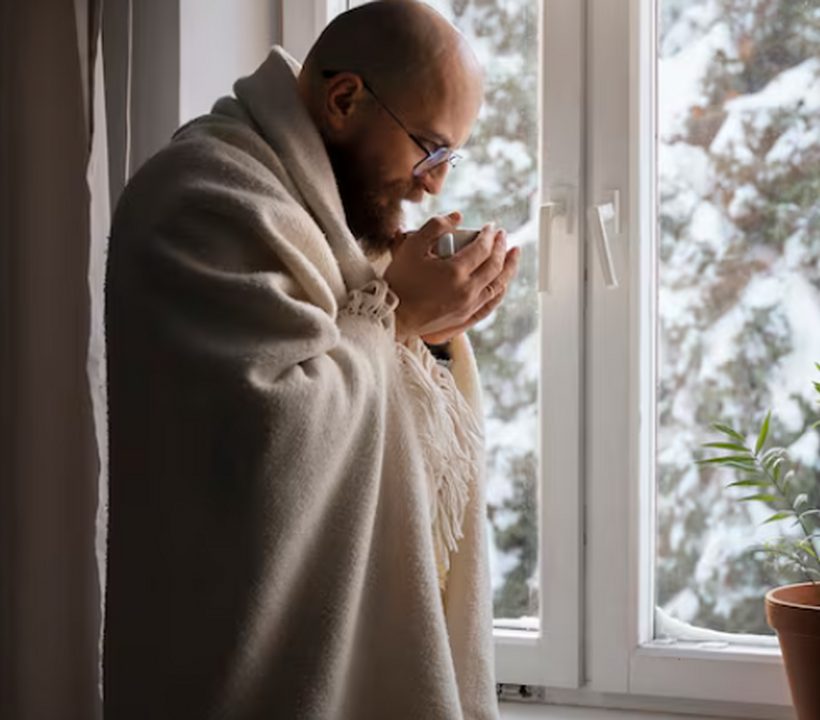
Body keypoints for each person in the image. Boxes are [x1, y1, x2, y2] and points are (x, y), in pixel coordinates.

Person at [103, 2, 517, 718]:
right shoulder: (202, 198)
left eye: (449, 159)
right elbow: (271, 439)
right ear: (344, 98)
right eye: (429, 149)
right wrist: (402, 314)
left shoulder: (337, 222)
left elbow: (399, 412)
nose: (434, 185)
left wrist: (438, 326)